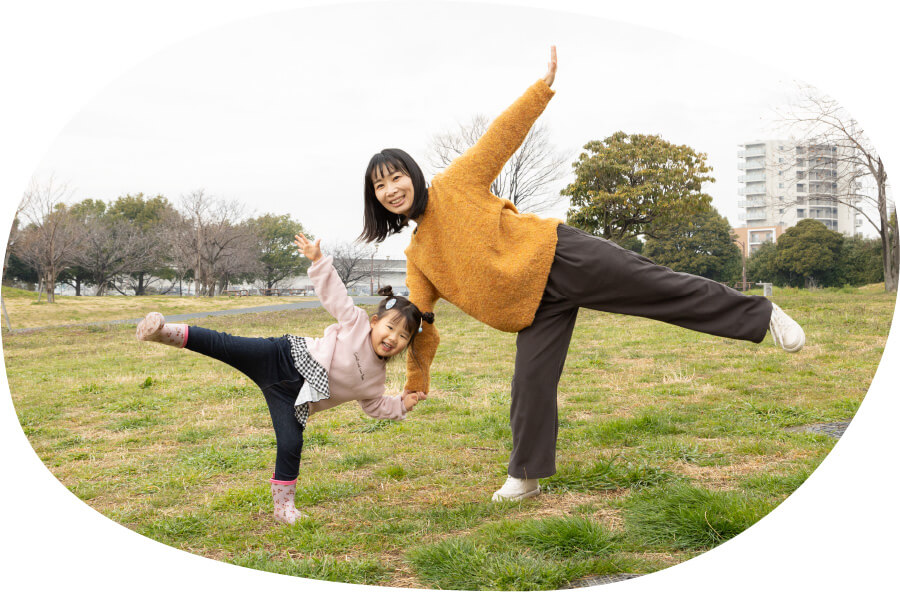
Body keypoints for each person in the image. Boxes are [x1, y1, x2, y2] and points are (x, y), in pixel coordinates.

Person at [359, 46, 805, 502]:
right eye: (380, 185)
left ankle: (761, 313)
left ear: (412, 175)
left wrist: (542, 88)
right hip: (532, 309)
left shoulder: (454, 185)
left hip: (560, 256)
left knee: (659, 286)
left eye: (396, 177)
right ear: (376, 199)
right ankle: (527, 475)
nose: (391, 189)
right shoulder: (419, 257)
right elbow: (421, 324)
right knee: (529, 382)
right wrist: (416, 381)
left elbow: (500, 137)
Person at [135, 234, 431, 524]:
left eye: (403, 335)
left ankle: (283, 508)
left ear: (407, 344)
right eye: (390, 328)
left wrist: (402, 404)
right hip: (282, 357)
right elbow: (335, 295)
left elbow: (375, 405)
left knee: (291, 443)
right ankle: (161, 332)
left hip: (293, 400)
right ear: (376, 322)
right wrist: (318, 261)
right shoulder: (356, 324)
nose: (393, 338)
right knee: (225, 345)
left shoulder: (375, 381)